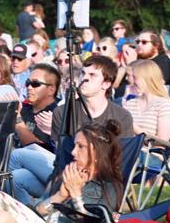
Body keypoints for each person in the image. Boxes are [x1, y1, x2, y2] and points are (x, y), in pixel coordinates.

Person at [10, 55, 134, 207]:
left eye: (92, 75)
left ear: (106, 84)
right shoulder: (62, 112)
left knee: (17, 156)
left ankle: (38, 213)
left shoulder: (121, 116)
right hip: (64, 173)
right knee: (16, 177)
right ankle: (32, 217)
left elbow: (120, 161)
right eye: (83, 73)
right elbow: (60, 158)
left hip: (98, 182)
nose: (84, 78)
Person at [122, 60, 170, 139]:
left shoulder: (164, 105)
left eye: (135, 78)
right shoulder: (130, 103)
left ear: (147, 79)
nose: (132, 82)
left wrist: (133, 126)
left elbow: (162, 142)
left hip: (145, 150)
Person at [134, 30, 170, 96]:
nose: (139, 45)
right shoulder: (142, 61)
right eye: (137, 42)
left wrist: (132, 65)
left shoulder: (164, 64)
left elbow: (149, 87)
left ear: (156, 46)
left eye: (144, 42)